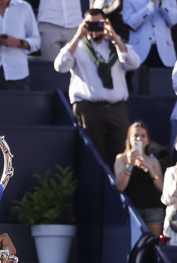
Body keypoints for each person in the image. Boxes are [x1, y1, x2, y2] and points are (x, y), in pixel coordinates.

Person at [55, 8, 140, 166]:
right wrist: (77, 36)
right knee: (93, 159)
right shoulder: (77, 47)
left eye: (99, 24)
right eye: (90, 24)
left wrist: (115, 37)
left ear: (106, 23)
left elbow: (134, 63)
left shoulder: (116, 47)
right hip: (89, 110)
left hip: (117, 110)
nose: (95, 28)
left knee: (122, 156)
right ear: (83, 24)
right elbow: (60, 66)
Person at [0, 0, 39, 90]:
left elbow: (36, 41)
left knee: (18, 104)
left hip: (18, 73)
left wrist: (18, 43)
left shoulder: (24, 8)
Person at [114, 122, 165, 235]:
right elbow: (120, 186)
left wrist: (150, 168)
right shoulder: (121, 159)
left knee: (153, 245)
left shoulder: (153, 160)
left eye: (143, 135)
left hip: (153, 209)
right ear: (129, 138)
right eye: (136, 135)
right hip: (132, 210)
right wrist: (129, 165)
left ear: (147, 140)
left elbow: (162, 188)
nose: (139, 139)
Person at [122, 0, 177, 71]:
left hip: (165, 52)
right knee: (139, 81)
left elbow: (174, 20)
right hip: (139, 52)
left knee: (164, 80)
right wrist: (150, 6)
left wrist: (163, 4)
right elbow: (130, 23)